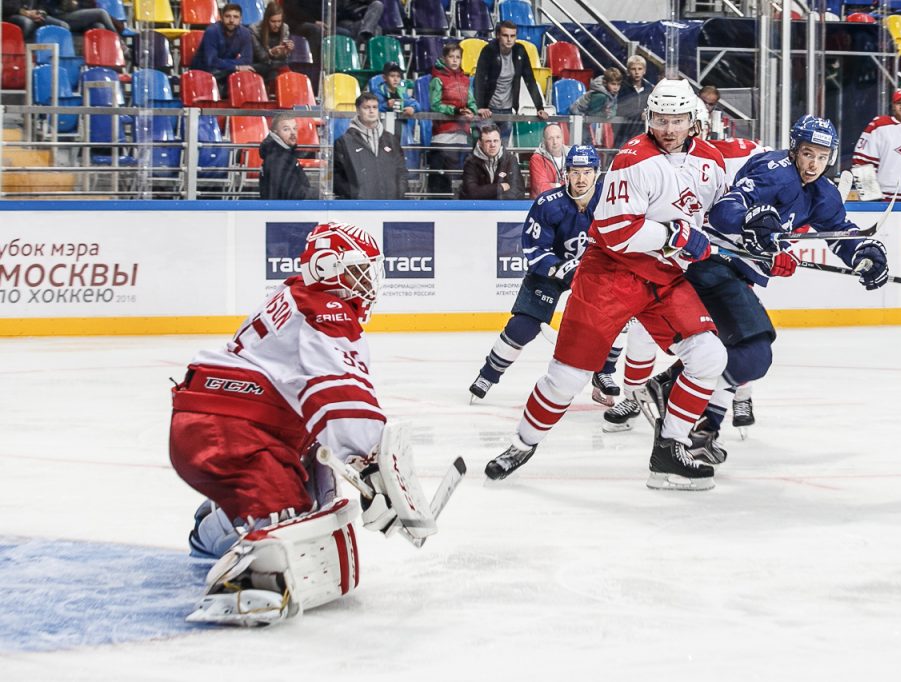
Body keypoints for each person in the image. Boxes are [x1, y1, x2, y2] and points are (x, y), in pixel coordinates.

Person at [170, 222, 443, 626]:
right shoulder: (324, 309)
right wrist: (370, 461)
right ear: (327, 268)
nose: (367, 282)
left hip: (224, 422)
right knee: (287, 518)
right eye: (357, 270)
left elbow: (310, 403)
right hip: (229, 430)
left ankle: (215, 526)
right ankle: (247, 586)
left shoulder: (297, 295)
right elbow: (337, 393)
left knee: (311, 491)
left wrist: (362, 473)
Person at [483, 79, 730, 491]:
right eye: (661, 119)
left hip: (663, 277)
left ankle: (670, 450)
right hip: (609, 275)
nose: (668, 128)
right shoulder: (633, 159)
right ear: (650, 118)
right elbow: (616, 231)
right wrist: (678, 235)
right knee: (567, 377)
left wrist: (757, 233)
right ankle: (522, 444)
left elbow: (722, 206)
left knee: (708, 355)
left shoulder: (710, 159)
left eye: (678, 120)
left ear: (694, 121)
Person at [614, 116, 891, 464]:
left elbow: (840, 232)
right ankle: (671, 388)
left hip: (737, 275)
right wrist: (756, 225)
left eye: (822, 157)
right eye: (807, 153)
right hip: (711, 265)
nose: (813, 164)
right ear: (794, 150)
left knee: (743, 355)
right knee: (754, 353)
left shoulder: (823, 193)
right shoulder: (774, 169)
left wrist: (863, 254)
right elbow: (726, 210)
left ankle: (702, 428)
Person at [603, 104, 764, 437]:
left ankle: (742, 396)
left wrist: (753, 239)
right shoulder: (655, 159)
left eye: (688, 124)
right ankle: (636, 395)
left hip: (715, 263)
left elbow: (732, 210)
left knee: (739, 330)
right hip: (672, 262)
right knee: (643, 331)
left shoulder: (721, 158)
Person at [469, 145, 621, 403]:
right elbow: (535, 248)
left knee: (616, 319)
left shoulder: (610, 202)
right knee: (523, 325)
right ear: (567, 173)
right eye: (575, 172)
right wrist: (562, 268)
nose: (581, 179)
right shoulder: (548, 203)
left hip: (594, 271)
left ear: (597, 172)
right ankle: (488, 374)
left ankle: (603, 374)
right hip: (551, 271)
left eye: (587, 172)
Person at [473, 20, 549, 142]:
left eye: (512, 36)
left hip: (508, 110)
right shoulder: (488, 51)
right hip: (488, 110)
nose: (509, 39)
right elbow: (479, 80)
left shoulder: (520, 51)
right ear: (498, 35)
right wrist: (480, 107)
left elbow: (530, 79)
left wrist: (539, 107)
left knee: (502, 151)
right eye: (505, 35)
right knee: (486, 149)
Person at [333, 93, 409, 199]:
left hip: (390, 206)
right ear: (358, 110)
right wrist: (355, 195)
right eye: (366, 107)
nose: (371, 111)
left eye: (375, 107)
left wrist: (399, 194)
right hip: (359, 208)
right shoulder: (344, 142)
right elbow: (337, 176)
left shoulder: (391, 140)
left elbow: (401, 171)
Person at [427, 42, 477, 197]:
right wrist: (454, 110)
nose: (455, 60)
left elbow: (472, 101)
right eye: (451, 57)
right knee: (440, 183)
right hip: (442, 136)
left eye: (458, 57)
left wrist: (472, 110)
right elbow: (434, 105)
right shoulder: (437, 79)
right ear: (444, 58)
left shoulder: (465, 80)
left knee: (461, 180)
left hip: (462, 136)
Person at [191, 3, 254, 97]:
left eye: (235, 17)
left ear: (241, 19)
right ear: (221, 17)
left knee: (249, 72)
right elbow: (211, 61)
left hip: (225, 71)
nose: (231, 20)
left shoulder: (245, 33)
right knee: (218, 72)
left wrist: (226, 65)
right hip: (204, 71)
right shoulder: (212, 31)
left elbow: (247, 61)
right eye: (228, 16)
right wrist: (236, 67)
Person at [458, 124, 525, 200]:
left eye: (495, 141)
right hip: (477, 209)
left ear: (500, 141)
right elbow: (472, 193)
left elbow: (517, 192)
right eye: (488, 141)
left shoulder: (510, 160)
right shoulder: (471, 161)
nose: (492, 145)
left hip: (503, 209)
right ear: (480, 143)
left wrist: (485, 193)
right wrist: (500, 187)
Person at [259, 114, 316, 200]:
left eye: (294, 128)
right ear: (275, 132)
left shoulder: (284, 154)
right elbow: (293, 194)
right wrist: (318, 193)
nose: (293, 132)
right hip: (283, 212)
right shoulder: (278, 158)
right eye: (286, 129)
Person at [569, 67, 623, 147]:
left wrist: (610, 114)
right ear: (605, 83)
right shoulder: (600, 95)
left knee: (587, 142)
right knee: (583, 143)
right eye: (613, 84)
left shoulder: (612, 93)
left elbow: (613, 107)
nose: (616, 87)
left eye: (618, 84)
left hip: (586, 119)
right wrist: (605, 114)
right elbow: (592, 113)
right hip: (577, 115)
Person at [250, 2, 294, 89]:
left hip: (278, 64)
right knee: (274, 74)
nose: (277, 25)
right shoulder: (254, 29)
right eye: (273, 21)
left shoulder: (285, 28)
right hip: (260, 65)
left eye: (279, 21)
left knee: (290, 79)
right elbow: (260, 56)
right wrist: (271, 52)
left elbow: (283, 58)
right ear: (267, 20)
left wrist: (286, 51)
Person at [615, 55, 654, 142]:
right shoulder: (622, 87)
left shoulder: (649, 88)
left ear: (644, 71)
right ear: (628, 71)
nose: (637, 72)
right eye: (633, 69)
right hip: (624, 131)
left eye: (640, 69)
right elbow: (621, 108)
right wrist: (640, 114)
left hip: (643, 130)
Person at [528, 123, 567, 198]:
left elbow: (576, 186)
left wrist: (554, 185)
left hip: (565, 203)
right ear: (544, 141)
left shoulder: (571, 156)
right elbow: (541, 189)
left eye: (558, 137)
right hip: (543, 204)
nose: (555, 142)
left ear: (562, 138)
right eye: (550, 138)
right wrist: (564, 186)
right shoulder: (537, 158)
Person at [2, 0, 68, 39]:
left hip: (34, 15)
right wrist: (25, 12)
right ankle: (23, 53)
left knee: (62, 26)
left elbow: (42, 5)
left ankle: (57, 58)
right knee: (27, 23)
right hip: (11, 15)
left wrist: (40, 13)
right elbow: (4, 5)